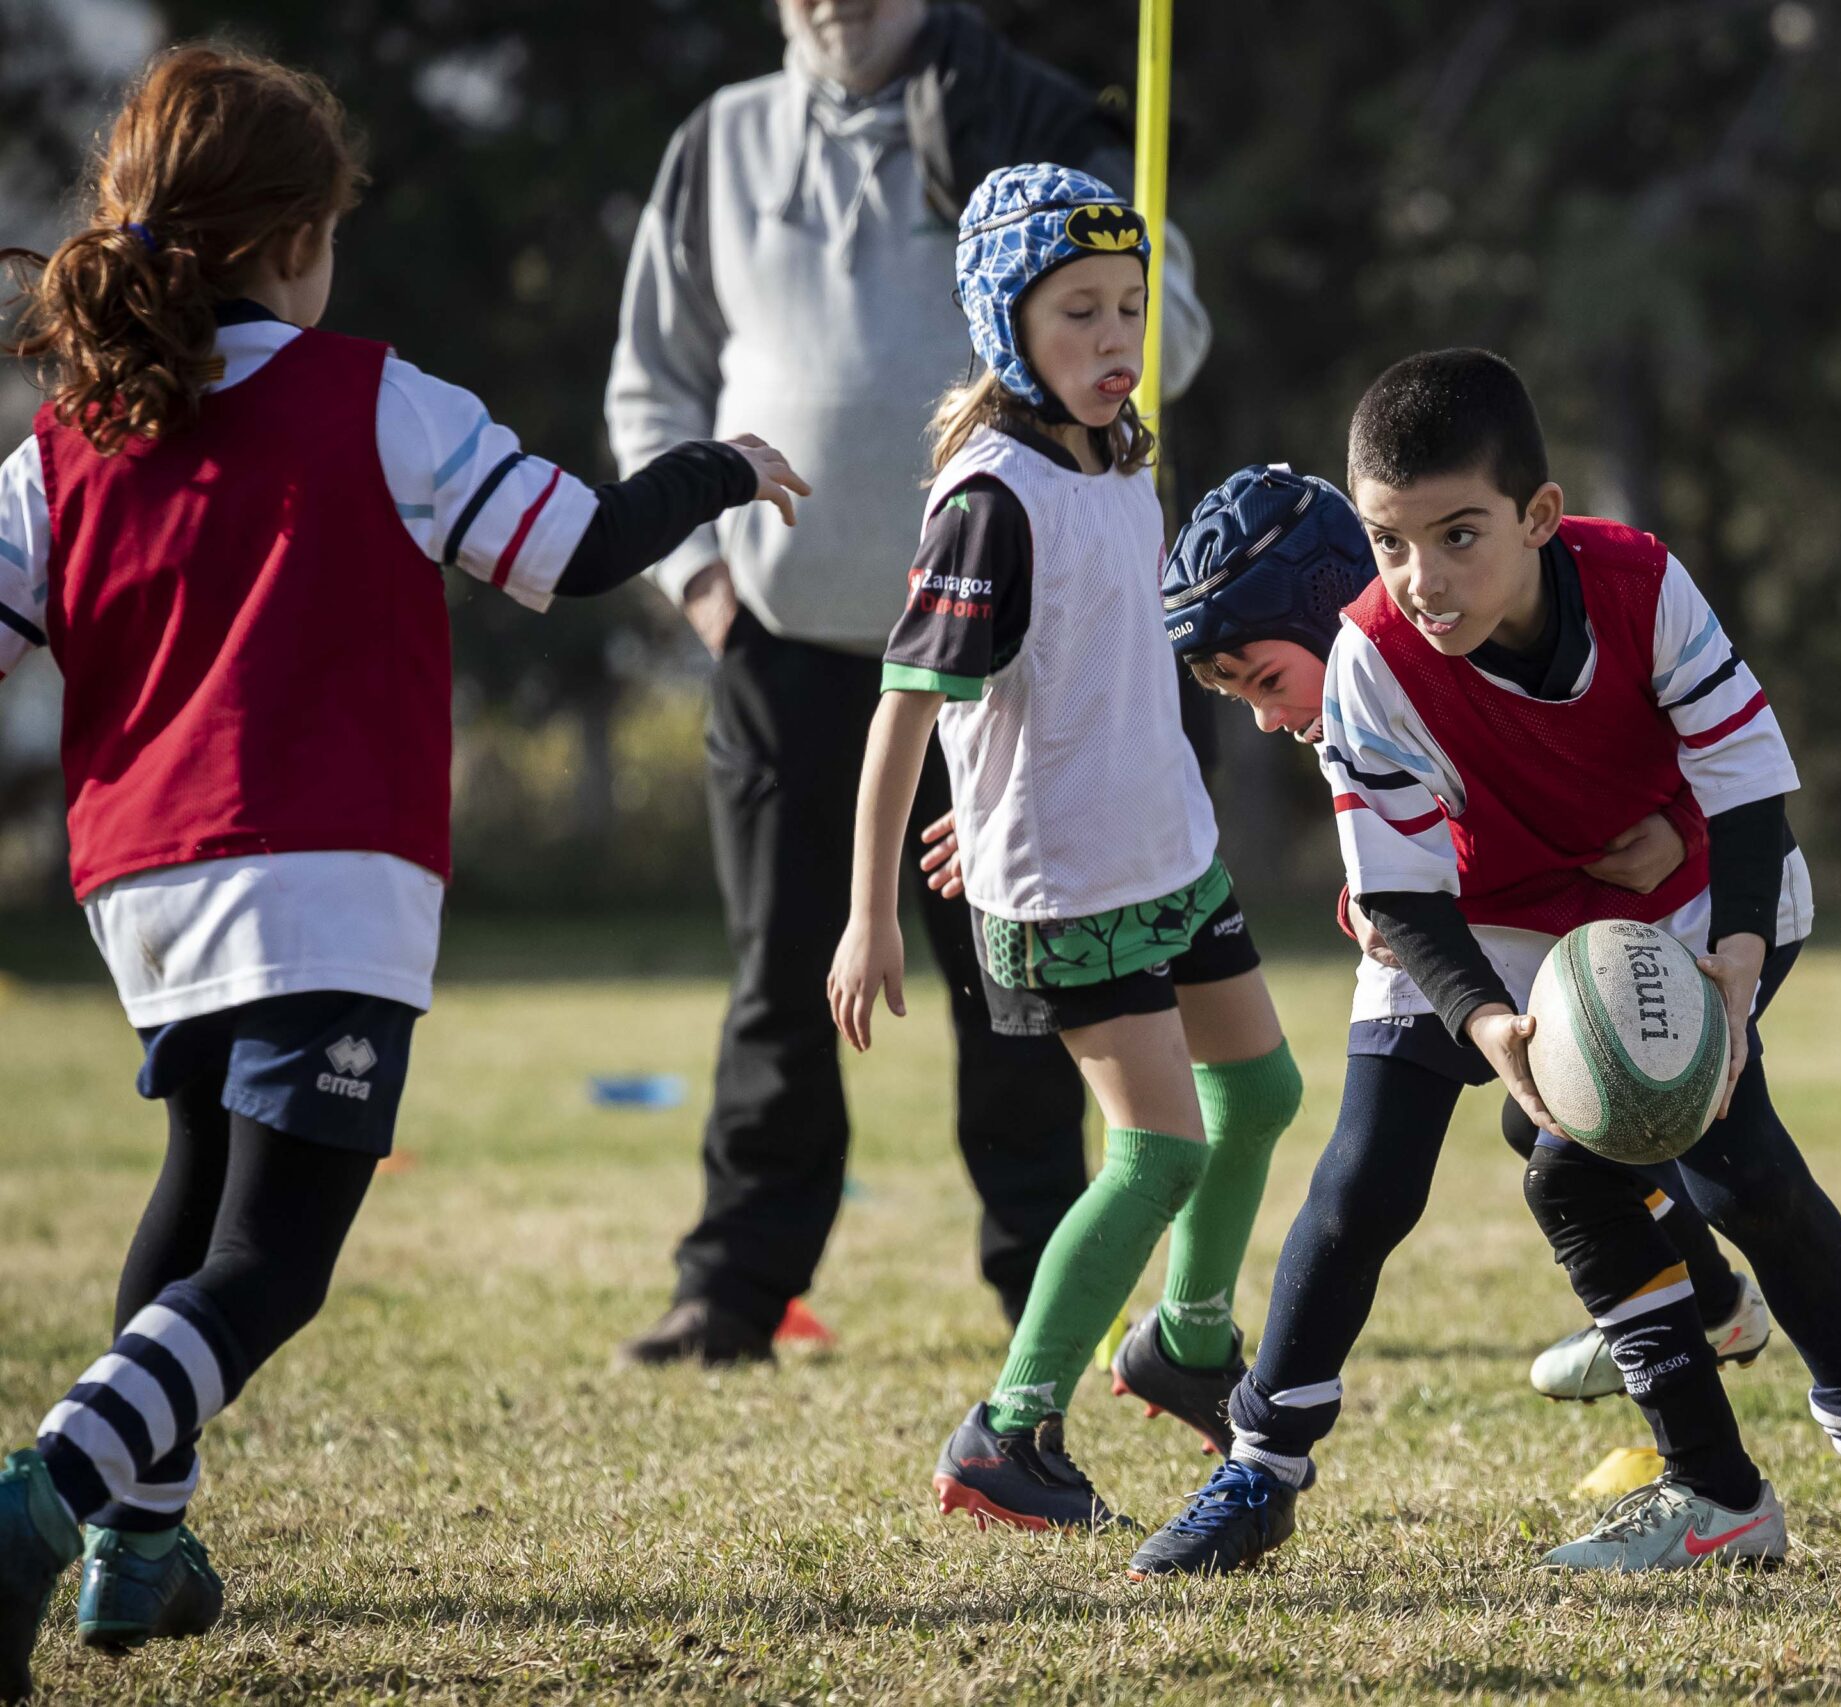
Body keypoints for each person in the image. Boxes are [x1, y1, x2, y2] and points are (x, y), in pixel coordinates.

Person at [0, 46, 806, 1698]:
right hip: (324, 878)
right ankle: (44, 1496)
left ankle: (137, 1551)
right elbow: (571, 550)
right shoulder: (376, 395)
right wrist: (723, 469)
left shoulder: (63, 445)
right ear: (298, 236)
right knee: (271, 1262)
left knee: (197, 1193)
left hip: (143, 890)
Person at [1128, 350, 1841, 1579]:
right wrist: (1487, 1025)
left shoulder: (1641, 581)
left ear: (1538, 516)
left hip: (1691, 906)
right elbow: (1402, 893)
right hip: (1484, 921)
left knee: (1725, 1172)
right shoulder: (1371, 649)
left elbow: (1749, 795)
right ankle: (1259, 1472)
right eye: (1388, 543)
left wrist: (1737, 961)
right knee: (1368, 1172)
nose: (1421, 581)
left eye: (1458, 536)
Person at [607, 0, 1213, 1365]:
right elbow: (651, 383)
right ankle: (734, 1285)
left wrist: (1139, 294)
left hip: (1007, 667)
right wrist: (702, 582)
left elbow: (1146, 333)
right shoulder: (721, 143)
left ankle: (1046, 1283)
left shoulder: (1035, 118)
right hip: (780, 639)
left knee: (1019, 993)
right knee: (778, 977)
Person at [826, 166, 1299, 1533]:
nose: (1113, 340)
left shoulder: (1125, 456)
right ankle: (1008, 1430)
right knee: (1155, 1153)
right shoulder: (990, 498)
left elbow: (1082, 668)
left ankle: (1188, 1344)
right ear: (1005, 322)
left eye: (1130, 309)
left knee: (1259, 1094)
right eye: (1079, 311)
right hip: (1073, 887)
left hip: (1168, 845)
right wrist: (868, 917)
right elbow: (905, 715)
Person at [1150, 464, 1777, 1414]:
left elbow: (1681, 756)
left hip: (1621, 932)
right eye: (1239, 699)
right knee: (1426, 1156)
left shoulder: (1463, 648)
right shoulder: (1352, 707)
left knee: (1582, 1127)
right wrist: (1368, 905)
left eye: (1266, 682)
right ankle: (1711, 1306)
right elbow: (1405, 849)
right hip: (1493, 943)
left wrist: (1683, 829)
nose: (1267, 717)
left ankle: (1726, 1349)